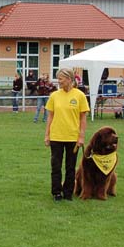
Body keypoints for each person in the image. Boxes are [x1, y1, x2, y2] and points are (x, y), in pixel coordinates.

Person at [44, 68, 89, 201]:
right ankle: (56, 192)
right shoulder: (54, 96)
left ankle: (68, 192)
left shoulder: (80, 95)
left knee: (70, 167)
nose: (59, 81)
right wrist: (47, 135)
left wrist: (81, 136)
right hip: (56, 136)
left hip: (72, 137)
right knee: (56, 166)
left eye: (61, 79)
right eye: (58, 79)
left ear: (69, 79)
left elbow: (83, 118)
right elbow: (50, 117)